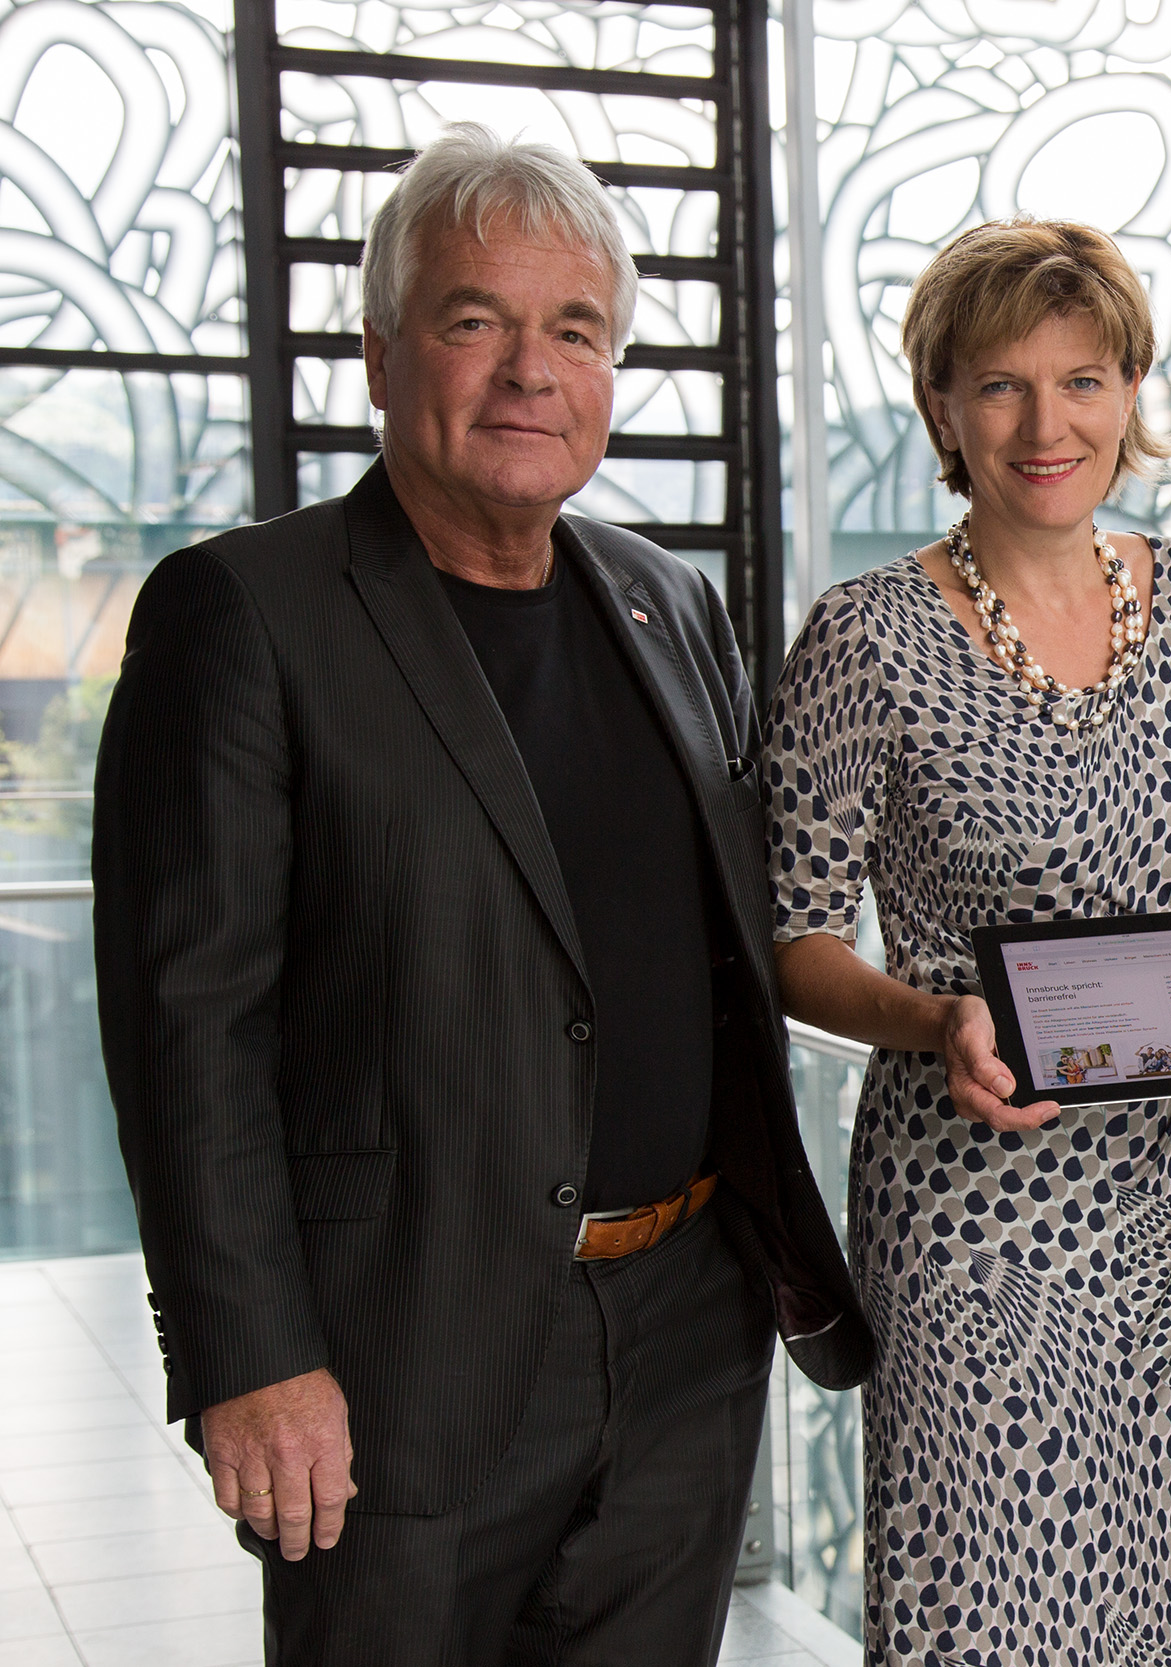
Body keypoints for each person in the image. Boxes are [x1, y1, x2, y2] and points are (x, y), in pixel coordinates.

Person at [92, 124, 870, 1662]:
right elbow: (188, 1025)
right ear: (382, 355)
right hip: (401, 1356)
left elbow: (744, 930)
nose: (531, 369)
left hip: (684, 1333)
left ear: (610, 373)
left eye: (573, 330)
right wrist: (251, 1359)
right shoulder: (245, 614)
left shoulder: (669, 601)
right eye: (474, 321)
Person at [764, 218, 1171, 1664]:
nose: (1045, 421)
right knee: (998, 1608)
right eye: (1000, 384)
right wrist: (932, 1020)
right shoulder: (863, 634)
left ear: (1130, 389)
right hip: (976, 1220)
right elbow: (793, 934)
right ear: (942, 405)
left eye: (1083, 379)